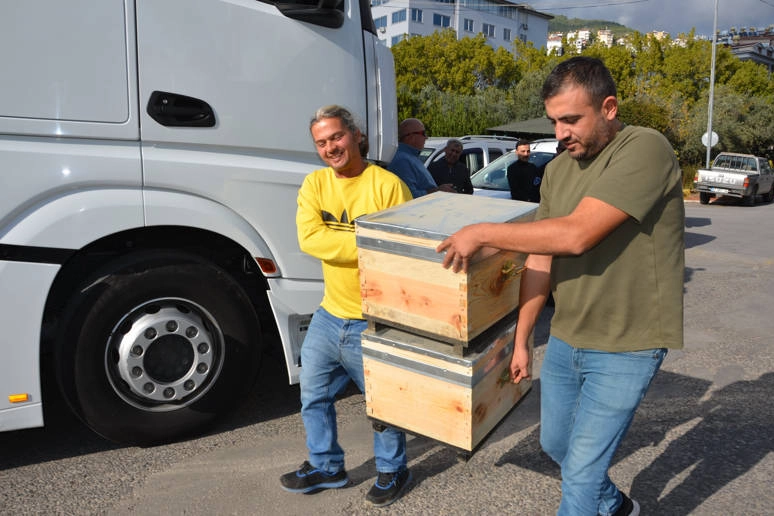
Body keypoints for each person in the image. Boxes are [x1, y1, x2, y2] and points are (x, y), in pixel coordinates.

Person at [436, 57, 685, 516]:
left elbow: (576, 235)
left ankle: (593, 499)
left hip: (628, 343)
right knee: (556, 446)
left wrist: (484, 232)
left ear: (608, 107)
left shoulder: (645, 148)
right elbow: (541, 255)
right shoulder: (557, 171)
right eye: (555, 121)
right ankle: (615, 506)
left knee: (581, 476)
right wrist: (523, 339)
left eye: (571, 119)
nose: (561, 133)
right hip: (569, 338)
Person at [282, 105, 413, 507]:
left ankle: (393, 470)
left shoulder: (388, 186)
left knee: (382, 404)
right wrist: (366, 242)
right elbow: (309, 240)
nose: (330, 148)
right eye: (321, 143)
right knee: (313, 397)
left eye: (336, 137)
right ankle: (327, 467)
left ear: (355, 135)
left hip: (374, 319)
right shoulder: (315, 185)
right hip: (329, 313)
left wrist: (362, 246)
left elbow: (401, 249)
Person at [388, 118, 455, 197]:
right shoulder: (402, 161)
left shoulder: (410, 157)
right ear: (410, 136)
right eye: (423, 133)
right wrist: (437, 191)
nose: (426, 137)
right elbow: (408, 196)